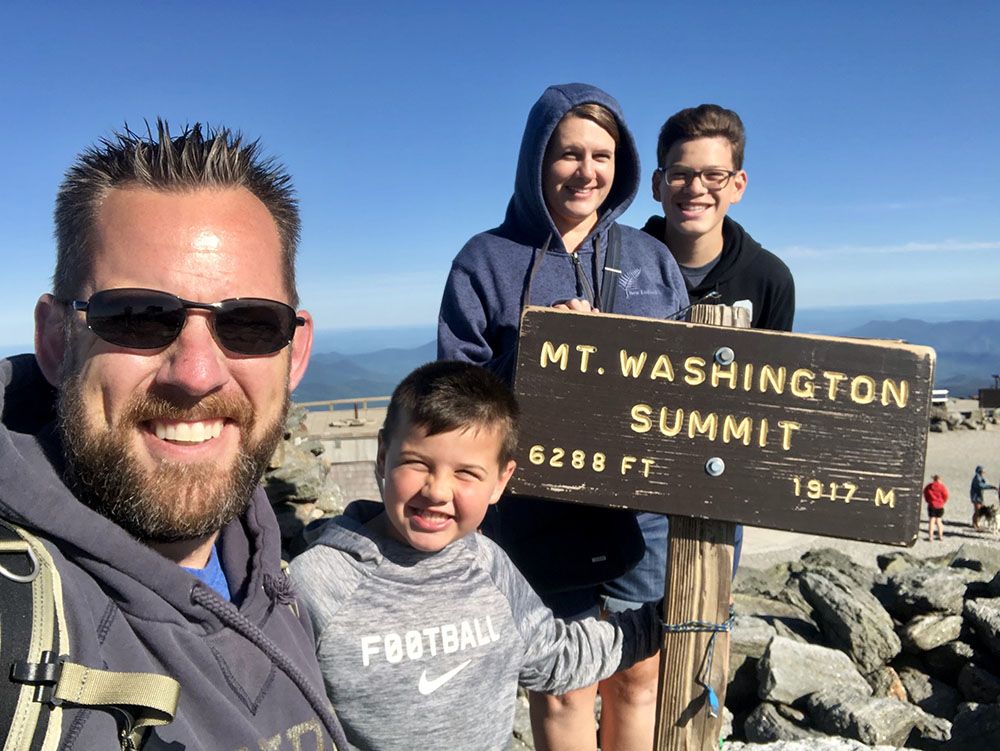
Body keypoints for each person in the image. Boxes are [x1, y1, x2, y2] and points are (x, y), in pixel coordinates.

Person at [0, 122, 348, 749]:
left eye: (248, 324)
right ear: (55, 341)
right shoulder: (17, 617)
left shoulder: (265, 567)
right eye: (137, 317)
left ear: (294, 354)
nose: (196, 373)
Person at [438, 83, 688, 751]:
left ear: (622, 164)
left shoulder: (650, 259)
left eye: (602, 155)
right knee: (562, 683)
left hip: (643, 514)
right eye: (569, 153)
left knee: (638, 674)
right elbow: (455, 398)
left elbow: (692, 383)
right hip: (536, 508)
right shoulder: (483, 261)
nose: (587, 171)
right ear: (536, 158)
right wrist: (535, 347)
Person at [289, 361, 661, 750]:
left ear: (501, 481)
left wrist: (662, 624)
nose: (437, 490)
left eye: (466, 473)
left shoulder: (490, 565)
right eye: (417, 463)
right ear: (383, 455)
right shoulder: (321, 581)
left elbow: (556, 656)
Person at [641, 104, 795, 332]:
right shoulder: (618, 267)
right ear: (657, 185)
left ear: (738, 186)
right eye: (680, 174)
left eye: (714, 175)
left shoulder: (769, 279)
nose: (695, 188)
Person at [923, 474, 948, 541]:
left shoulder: (929, 486)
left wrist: (928, 500)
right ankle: (940, 536)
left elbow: (925, 493)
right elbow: (945, 495)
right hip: (940, 506)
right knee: (939, 521)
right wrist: (942, 502)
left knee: (932, 521)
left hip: (932, 505)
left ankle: (930, 536)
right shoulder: (942, 487)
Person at [970, 466, 997, 530]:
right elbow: (982, 486)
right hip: (976, 497)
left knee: (980, 511)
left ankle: (976, 522)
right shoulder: (977, 478)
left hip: (979, 496)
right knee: (978, 511)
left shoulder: (979, 477)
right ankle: (975, 524)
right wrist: (992, 487)